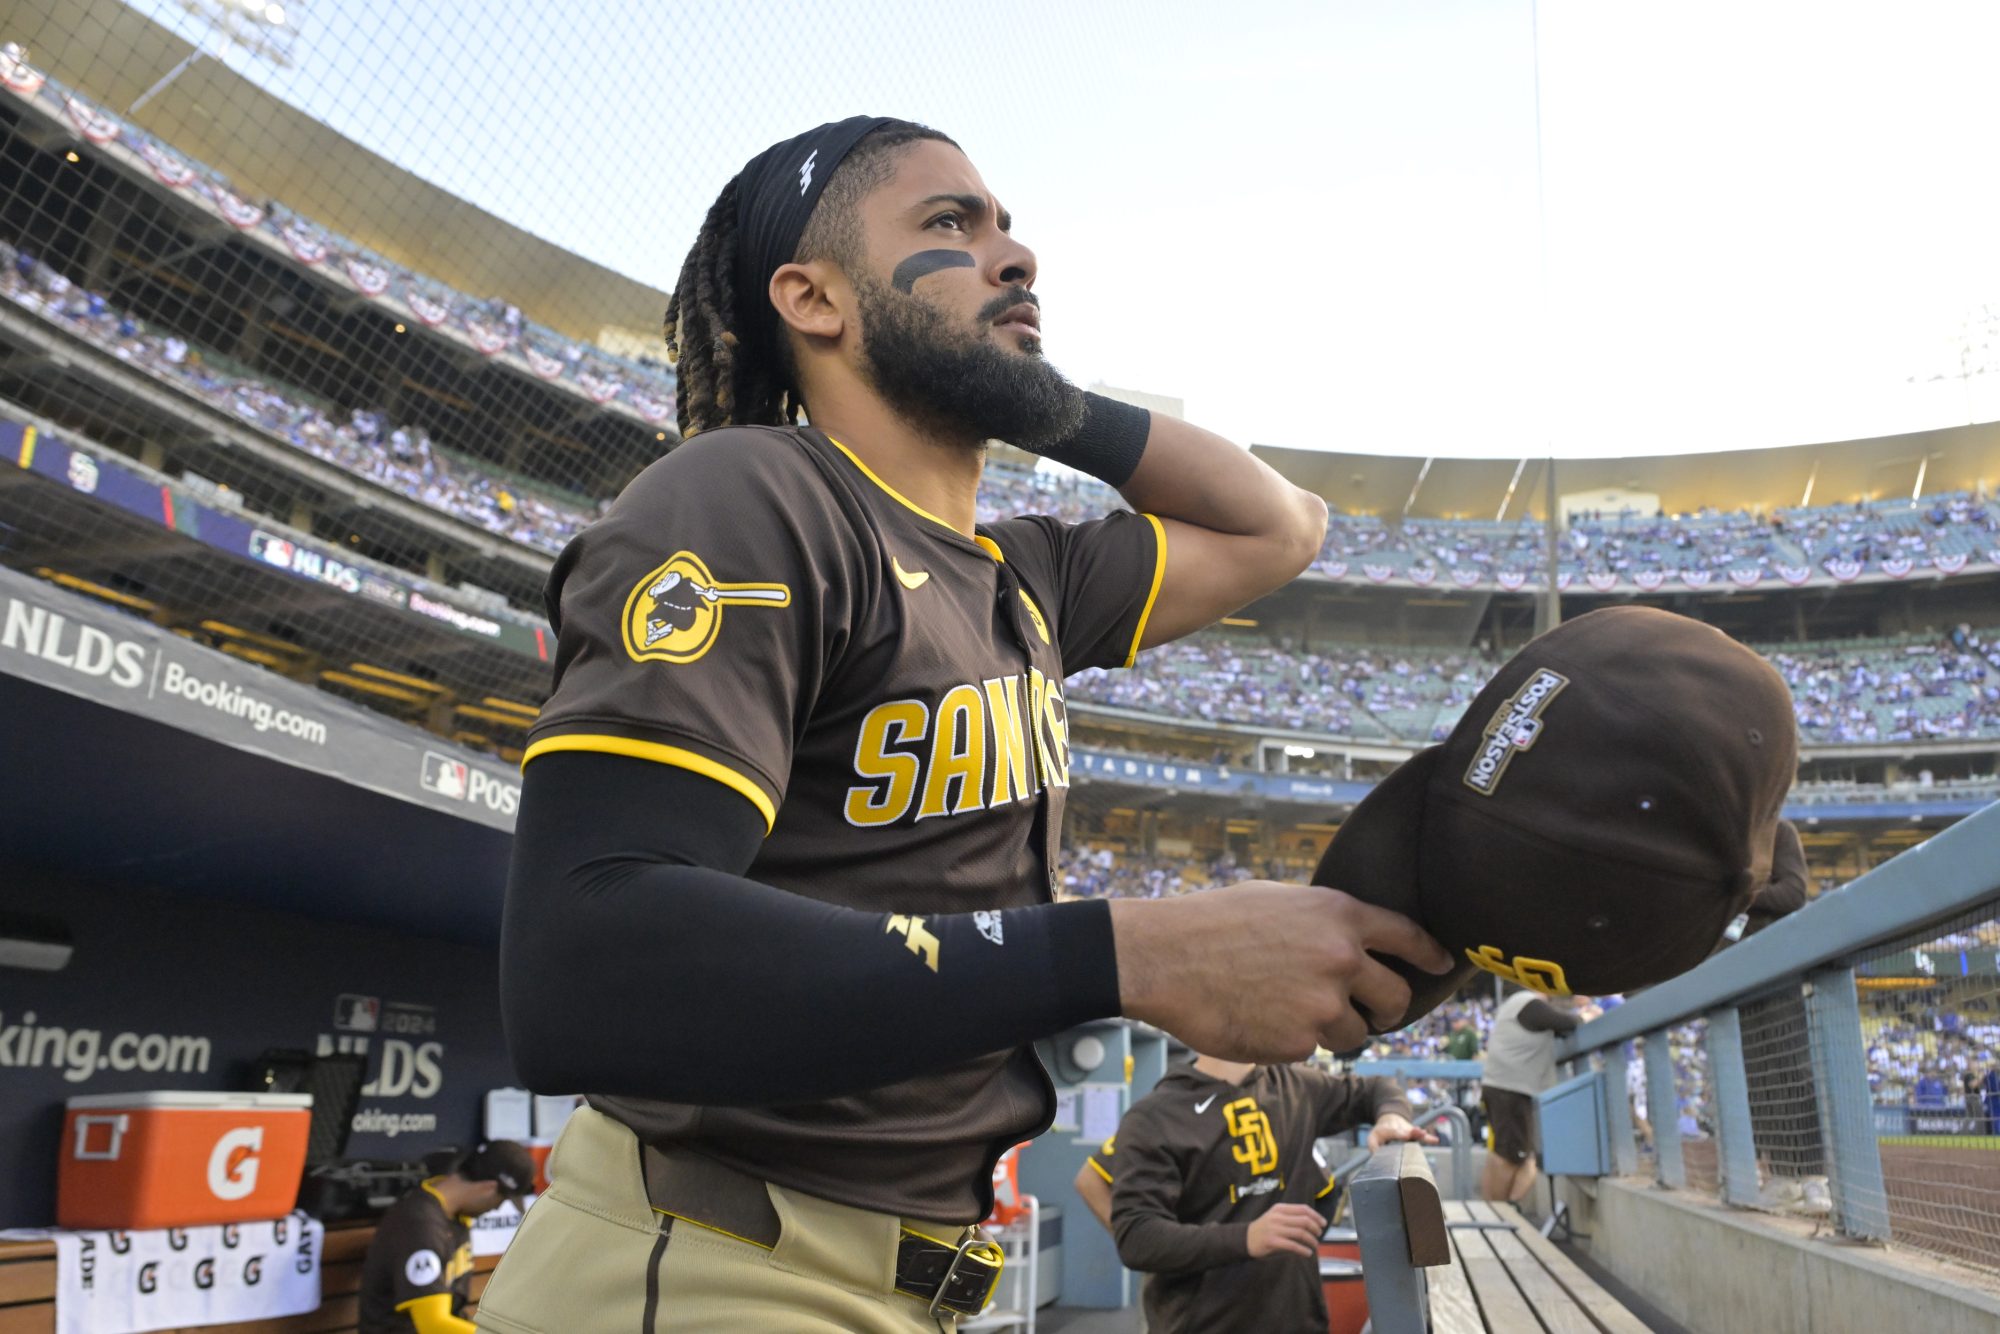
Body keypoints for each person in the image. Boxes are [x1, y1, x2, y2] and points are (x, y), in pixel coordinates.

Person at [479, 117, 1451, 1334]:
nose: (1015, 253)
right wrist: (1127, 951)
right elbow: (585, 959)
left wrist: (1036, 397)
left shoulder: (1019, 571)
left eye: (1004, 224)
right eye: (950, 224)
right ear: (812, 297)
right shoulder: (749, 493)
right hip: (715, 1263)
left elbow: (1281, 525)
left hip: (899, 1278)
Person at [1070, 1052, 1430, 1334]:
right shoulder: (1158, 1114)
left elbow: (1376, 1090)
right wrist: (1231, 1239)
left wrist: (1391, 1117)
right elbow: (1129, 1226)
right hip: (1203, 1323)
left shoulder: (1295, 1086)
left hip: (1298, 1318)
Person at [359, 1141, 535, 1334]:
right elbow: (433, 1324)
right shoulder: (420, 1226)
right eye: (501, 1200)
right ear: (488, 1188)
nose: (496, 1208)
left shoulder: (455, 1213)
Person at [1478, 990, 1599, 1203]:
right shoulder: (1528, 1002)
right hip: (1510, 1088)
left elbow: (1555, 1027)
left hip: (1501, 1086)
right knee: (1511, 1157)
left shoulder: (1517, 1003)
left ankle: (1497, 1210)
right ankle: (1498, 1212)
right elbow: (1566, 1023)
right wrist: (1587, 1016)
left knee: (1506, 1153)